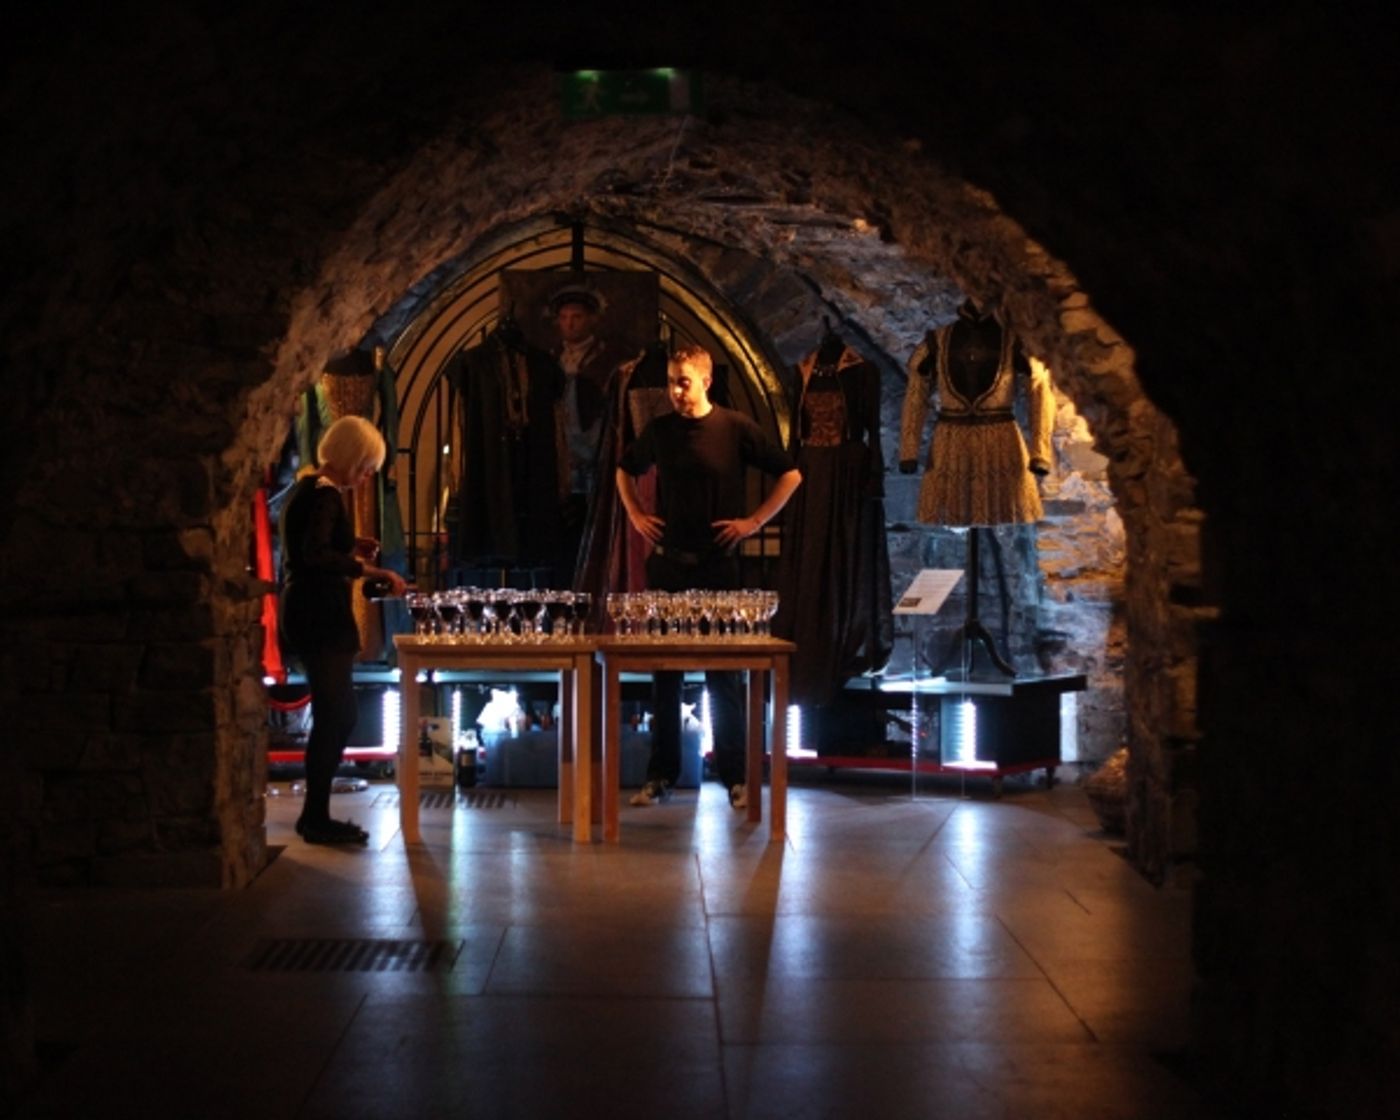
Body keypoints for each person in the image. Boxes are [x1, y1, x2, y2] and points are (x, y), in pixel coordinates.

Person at [615, 345, 802, 810]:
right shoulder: (659, 431)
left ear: (705, 382)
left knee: (724, 676)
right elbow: (623, 468)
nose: (676, 391)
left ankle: (736, 777)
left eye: (683, 381)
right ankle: (660, 777)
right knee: (665, 677)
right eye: (671, 381)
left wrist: (753, 522)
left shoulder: (735, 428)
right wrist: (637, 512)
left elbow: (791, 475)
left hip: (719, 565)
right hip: (669, 563)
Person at [279, 415, 407, 844]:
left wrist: (350, 547)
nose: (369, 474)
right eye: (367, 464)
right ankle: (315, 818)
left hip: (310, 609)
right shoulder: (326, 495)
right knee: (337, 716)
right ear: (352, 457)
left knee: (338, 715)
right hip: (320, 612)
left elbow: (307, 548)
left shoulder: (308, 488)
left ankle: (316, 815)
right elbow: (313, 556)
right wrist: (368, 568)